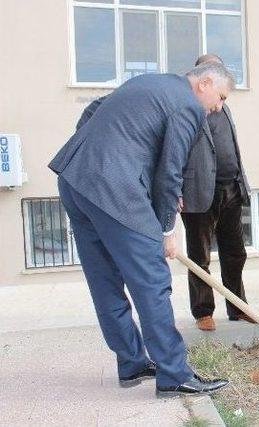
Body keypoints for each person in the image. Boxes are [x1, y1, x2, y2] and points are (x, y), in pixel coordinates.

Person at [48, 62, 234, 397]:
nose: (219, 107)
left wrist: (100, 154)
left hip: (76, 179)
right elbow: (170, 171)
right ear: (205, 82)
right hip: (114, 189)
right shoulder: (189, 105)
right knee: (152, 279)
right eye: (220, 97)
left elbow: (94, 110)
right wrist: (166, 229)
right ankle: (174, 375)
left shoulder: (149, 82)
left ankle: (132, 363)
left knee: (104, 280)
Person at [180, 54, 253, 331]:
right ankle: (203, 312)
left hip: (231, 188)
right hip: (199, 193)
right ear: (203, 76)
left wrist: (241, 180)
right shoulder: (188, 108)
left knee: (235, 253)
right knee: (199, 256)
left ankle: (238, 308)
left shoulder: (224, 106)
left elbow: (230, 145)